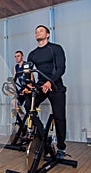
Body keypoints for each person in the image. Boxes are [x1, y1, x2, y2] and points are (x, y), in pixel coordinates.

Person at [25, 25, 67, 159]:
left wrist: (50, 82)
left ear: (48, 34)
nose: (38, 33)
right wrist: (29, 84)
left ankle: (61, 147)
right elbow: (28, 73)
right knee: (28, 105)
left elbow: (61, 68)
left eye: (41, 31)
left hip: (55, 85)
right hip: (41, 85)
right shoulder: (32, 54)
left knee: (59, 117)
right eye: (36, 32)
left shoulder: (55, 48)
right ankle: (43, 134)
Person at [12, 50, 27, 115]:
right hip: (22, 88)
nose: (16, 58)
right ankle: (22, 115)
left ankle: (32, 121)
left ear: (22, 57)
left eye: (18, 56)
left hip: (28, 87)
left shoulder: (26, 65)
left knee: (28, 105)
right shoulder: (16, 67)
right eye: (15, 56)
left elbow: (31, 77)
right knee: (14, 102)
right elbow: (14, 78)